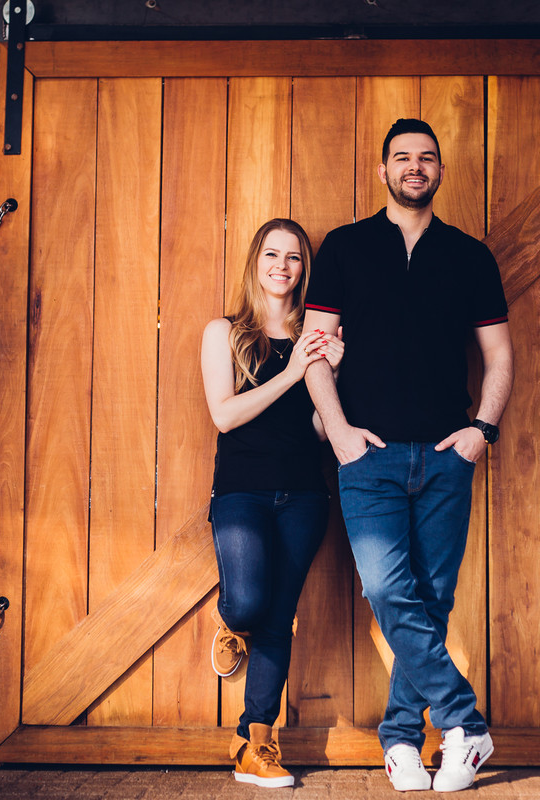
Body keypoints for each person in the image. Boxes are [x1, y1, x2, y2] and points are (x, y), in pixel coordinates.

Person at [302, 119, 514, 793]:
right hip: (369, 457)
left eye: (426, 158)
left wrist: (483, 429)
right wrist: (338, 433)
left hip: (449, 455)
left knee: (430, 600)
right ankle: (465, 723)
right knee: (391, 591)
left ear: (441, 171)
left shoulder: (470, 256)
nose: (414, 167)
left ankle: (400, 743)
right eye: (402, 158)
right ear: (384, 169)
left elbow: (500, 356)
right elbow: (315, 350)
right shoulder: (345, 247)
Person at [200, 218, 344, 788]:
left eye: (294, 258)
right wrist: (293, 372)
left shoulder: (316, 336)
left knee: (279, 617)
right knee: (248, 604)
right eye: (272, 255)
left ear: (304, 269)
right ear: (255, 261)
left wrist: (333, 369)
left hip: (304, 493)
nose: (282, 267)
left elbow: (315, 429)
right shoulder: (225, 332)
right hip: (241, 489)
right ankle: (233, 624)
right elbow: (224, 414)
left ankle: (254, 743)